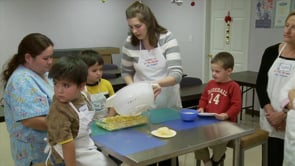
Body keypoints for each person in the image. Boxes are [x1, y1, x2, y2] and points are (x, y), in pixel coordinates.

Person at [46, 55, 116, 166]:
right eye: (55, 84)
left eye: (65, 85)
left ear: (81, 86)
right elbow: (67, 145)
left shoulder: (84, 95)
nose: (59, 91)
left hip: (84, 144)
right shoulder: (59, 112)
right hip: (66, 155)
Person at [1, 33, 54, 166]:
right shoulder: (21, 81)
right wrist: (65, 124)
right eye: (45, 58)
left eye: (51, 57)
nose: (50, 61)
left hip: (50, 146)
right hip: (35, 152)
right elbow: (30, 120)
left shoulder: (44, 74)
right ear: (28, 58)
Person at [121, 1, 183, 110]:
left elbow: (176, 74)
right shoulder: (129, 43)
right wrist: (133, 87)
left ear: (148, 22)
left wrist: (153, 84)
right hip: (141, 99)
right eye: (131, 27)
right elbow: (126, 72)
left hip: (167, 99)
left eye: (138, 26)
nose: (134, 31)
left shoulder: (166, 38)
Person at [256, 11, 295, 166]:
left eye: (294, 27)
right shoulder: (271, 51)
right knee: (269, 159)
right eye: (287, 25)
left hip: (291, 122)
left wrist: (284, 116)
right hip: (269, 117)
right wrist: (271, 112)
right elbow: (260, 84)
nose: (288, 30)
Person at [194, 52, 241, 166]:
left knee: (220, 141)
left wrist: (226, 115)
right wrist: (201, 107)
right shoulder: (210, 84)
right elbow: (204, 99)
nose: (214, 74)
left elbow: (236, 106)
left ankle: (216, 159)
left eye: (217, 71)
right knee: (194, 139)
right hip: (208, 123)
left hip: (226, 125)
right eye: (212, 71)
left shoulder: (233, 86)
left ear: (229, 71)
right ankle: (207, 161)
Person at [79, 49, 116, 119]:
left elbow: (113, 105)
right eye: (94, 70)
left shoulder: (106, 84)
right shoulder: (80, 88)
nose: (99, 73)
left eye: (101, 69)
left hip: (106, 120)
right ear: (83, 71)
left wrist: (108, 119)